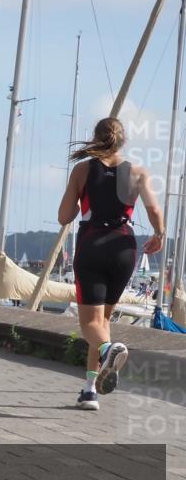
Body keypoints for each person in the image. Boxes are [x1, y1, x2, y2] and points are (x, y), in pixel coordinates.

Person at [58, 117, 162, 411]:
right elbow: (154, 208)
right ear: (123, 140)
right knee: (102, 322)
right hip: (124, 248)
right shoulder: (138, 172)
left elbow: (65, 216)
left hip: (93, 244)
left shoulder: (83, 169)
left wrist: (80, 198)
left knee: (90, 324)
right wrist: (159, 234)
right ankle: (90, 389)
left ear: (96, 138)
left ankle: (106, 352)